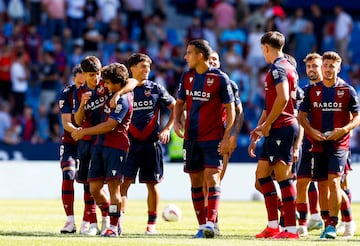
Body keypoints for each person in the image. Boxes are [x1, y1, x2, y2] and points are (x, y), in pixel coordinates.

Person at [174, 39, 235, 238]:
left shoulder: (220, 78)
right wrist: (176, 121)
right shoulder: (187, 76)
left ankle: (210, 224)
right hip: (191, 138)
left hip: (213, 138)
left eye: (189, 53)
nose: (185, 57)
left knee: (213, 177)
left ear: (200, 56)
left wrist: (227, 137)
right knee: (195, 181)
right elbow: (179, 102)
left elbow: (231, 109)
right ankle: (202, 226)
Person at [298, 51, 360, 239]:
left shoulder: (347, 90)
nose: (327, 69)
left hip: (340, 144)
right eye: (325, 65)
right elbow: (301, 116)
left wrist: (343, 130)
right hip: (317, 144)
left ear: (338, 68)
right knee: (322, 186)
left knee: (335, 181)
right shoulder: (311, 90)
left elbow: (357, 117)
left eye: (331, 66)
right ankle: (329, 225)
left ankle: (335, 223)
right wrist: (311, 131)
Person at [72, 63, 133, 237]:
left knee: (114, 189)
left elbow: (110, 125)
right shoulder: (111, 93)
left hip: (116, 147)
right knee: (94, 188)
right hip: (100, 145)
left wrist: (84, 131)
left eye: (107, 82)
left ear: (115, 83)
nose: (103, 85)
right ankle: (111, 215)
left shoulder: (123, 99)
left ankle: (113, 227)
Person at [248, 31, 299, 239]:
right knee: (261, 177)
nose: (262, 52)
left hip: (282, 127)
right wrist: (260, 127)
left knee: (284, 179)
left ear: (266, 47)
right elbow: (271, 104)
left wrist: (267, 124)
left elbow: (283, 98)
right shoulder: (288, 67)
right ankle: (273, 226)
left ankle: (291, 229)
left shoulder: (278, 68)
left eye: (262, 49)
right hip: (276, 127)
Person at [120, 53, 175, 235]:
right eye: (143, 66)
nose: (147, 70)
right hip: (128, 145)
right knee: (123, 183)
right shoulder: (124, 89)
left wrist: (167, 128)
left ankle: (151, 224)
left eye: (149, 67)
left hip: (151, 144)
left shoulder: (156, 89)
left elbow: (175, 106)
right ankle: (117, 220)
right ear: (132, 69)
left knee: (152, 184)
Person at [207, 50, 244, 235]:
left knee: (216, 180)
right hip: (198, 136)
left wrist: (232, 136)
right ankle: (208, 223)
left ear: (220, 63)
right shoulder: (194, 81)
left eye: (215, 59)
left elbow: (239, 111)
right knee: (203, 182)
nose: (212, 62)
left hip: (221, 135)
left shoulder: (229, 83)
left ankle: (213, 222)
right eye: (210, 59)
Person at [295, 53, 323, 236]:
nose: (311, 70)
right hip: (308, 143)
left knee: (334, 184)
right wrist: (297, 143)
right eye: (308, 67)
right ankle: (305, 223)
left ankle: (346, 222)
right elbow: (301, 120)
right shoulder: (305, 92)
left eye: (315, 66)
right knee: (302, 182)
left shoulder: (336, 89)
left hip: (330, 143)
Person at [58, 64, 85, 233]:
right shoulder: (67, 94)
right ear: (73, 79)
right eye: (79, 83)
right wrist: (77, 131)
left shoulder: (95, 92)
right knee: (68, 174)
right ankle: (70, 221)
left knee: (91, 182)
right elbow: (66, 121)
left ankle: (90, 221)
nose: (82, 86)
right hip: (70, 141)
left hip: (89, 141)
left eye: (84, 83)